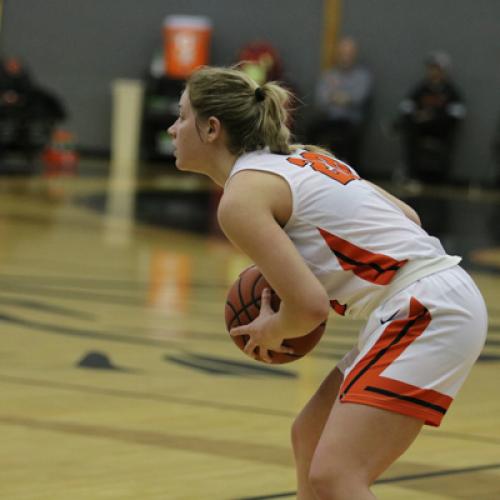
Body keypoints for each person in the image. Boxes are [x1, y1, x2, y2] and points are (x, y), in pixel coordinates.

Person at [167, 66, 487, 499]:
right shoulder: (302, 158)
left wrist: (271, 330)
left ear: (211, 128)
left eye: (182, 116)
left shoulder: (242, 198)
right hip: (423, 297)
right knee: (309, 438)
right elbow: (408, 217)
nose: (172, 128)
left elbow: (310, 309)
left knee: (336, 476)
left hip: (427, 307)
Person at [397, 51, 465, 184]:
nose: (434, 72)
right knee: (410, 128)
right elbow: (406, 106)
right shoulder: (421, 88)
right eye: (432, 68)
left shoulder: (451, 91)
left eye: (437, 69)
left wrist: (432, 116)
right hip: (420, 127)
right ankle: (412, 174)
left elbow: (456, 115)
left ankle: (440, 178)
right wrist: (417, 115)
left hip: (440, 129)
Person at [308, 37, 373, 169]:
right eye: (343, 53)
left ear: (354, 55)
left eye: (349, 54)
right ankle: (310, 166)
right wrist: (344, 98)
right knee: (310, 129)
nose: (345, 57)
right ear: (337, 54)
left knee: (349, 137)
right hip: (330, 118)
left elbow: (358, 98)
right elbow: (321, 100)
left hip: (351, 121)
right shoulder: (329, 74)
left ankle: (351, 173)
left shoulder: (362, 76)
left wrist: (335, 96)